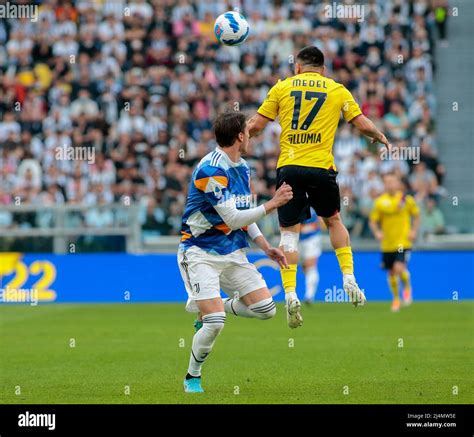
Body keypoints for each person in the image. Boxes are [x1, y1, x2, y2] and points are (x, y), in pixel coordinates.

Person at [247, 46, 391, 328]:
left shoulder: (282, 87)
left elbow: (257, 125)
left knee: (289, 233)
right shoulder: (336, 89)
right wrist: (378, 134)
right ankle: (348, 276)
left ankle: (290, 293)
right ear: (323, 69)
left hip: (289, 167)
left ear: (298, 67)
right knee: (334, 220)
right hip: (322, 168)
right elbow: (360, 123)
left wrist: (241, 137)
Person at [177, 111, 293, 393]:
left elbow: (243, 214)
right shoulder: (210, 170)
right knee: (216, 323)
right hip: (199, 251)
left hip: (231, 251)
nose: (252, 135)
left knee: (266, 310)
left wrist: (265, 246)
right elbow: (232, 219)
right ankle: (193, 376)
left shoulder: (242, 167)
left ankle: (214, 309)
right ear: (240, 136)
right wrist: (272, 204)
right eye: (248, 131)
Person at [369, 172, 420, 312]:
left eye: (392, 181)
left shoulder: (406, 199)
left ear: (398, 183)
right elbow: (373, 221)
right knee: (391, 273)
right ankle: (396, 299)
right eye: (387, 182)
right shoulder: (380, 202)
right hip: (387, 244)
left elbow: (416, 216)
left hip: (403, 242)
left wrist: (413, 231)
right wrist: (377, 232)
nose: (390, 184)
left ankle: (407, 287)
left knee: (398, 267)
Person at [300, 208, 322, 305]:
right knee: (304, 267)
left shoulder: (312, 206)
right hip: (297, 239)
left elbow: (319, 223)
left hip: (311, 238)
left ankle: (309, 296)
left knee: (310, 266)